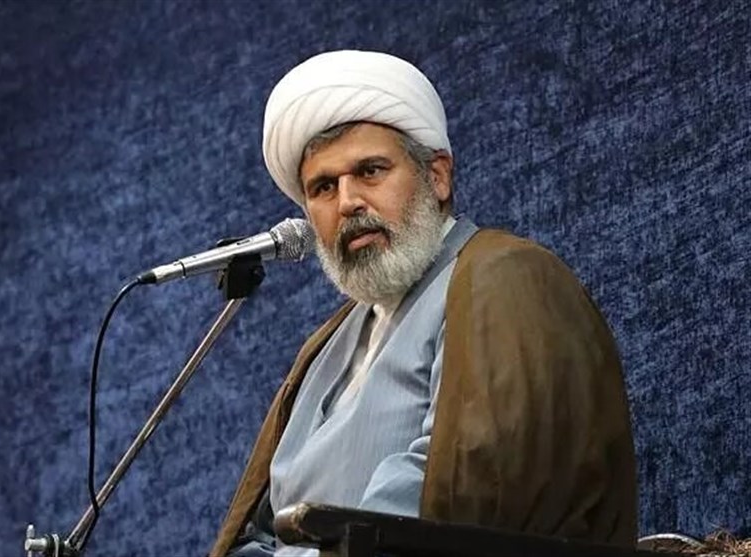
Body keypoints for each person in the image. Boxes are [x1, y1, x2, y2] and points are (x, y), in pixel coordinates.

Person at [209, 50, 637, 557]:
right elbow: (256, 535)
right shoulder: (325, 346)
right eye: (323, 187)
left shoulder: (508, 277)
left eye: (370, 171)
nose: (347, 202)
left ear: (437, 176)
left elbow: (456, 501)